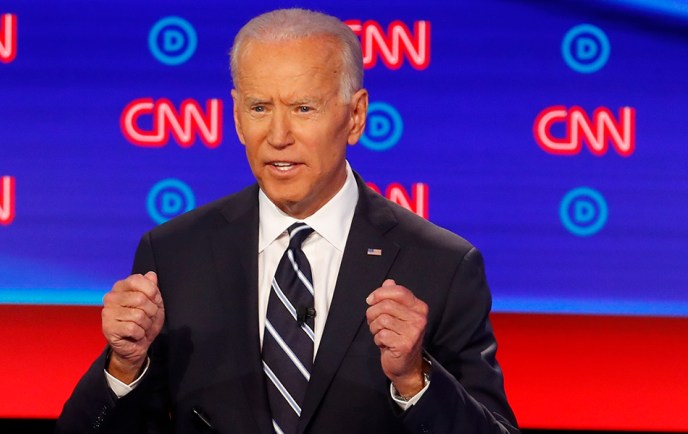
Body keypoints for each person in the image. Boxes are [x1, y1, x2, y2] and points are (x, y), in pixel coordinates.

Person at [55, 7, 519, 434]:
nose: (278, 136)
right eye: (260, 108)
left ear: (356, 116)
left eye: (303, 108)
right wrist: (124, 366)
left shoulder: (440, 265)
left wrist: (415, 381)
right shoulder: (175, 254)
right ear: (236, 117)